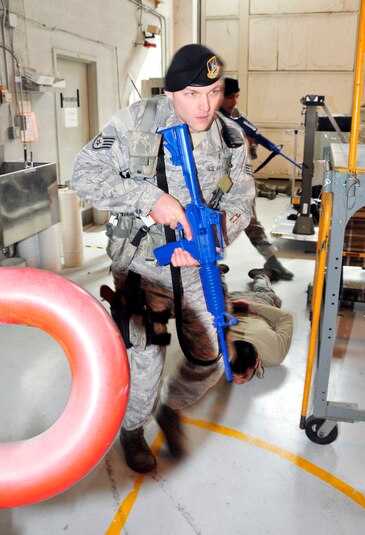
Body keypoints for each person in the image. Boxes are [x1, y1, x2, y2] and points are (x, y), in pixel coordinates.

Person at [71, 44, 255, 473]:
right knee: (145, 360)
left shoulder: (229, 136)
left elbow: (242, 201)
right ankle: (133, 429)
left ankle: (171, 409)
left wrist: (211, 238)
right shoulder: (136, 123)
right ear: (171, 93)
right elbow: (84, 176)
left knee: (213, 355)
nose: (205, 105)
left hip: (197, 272)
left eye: (213, 91)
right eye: (192, 93)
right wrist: (149, 198)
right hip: (142, 268)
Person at [220, 78, 294, 282]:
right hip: (218, 182)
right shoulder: (208, 120)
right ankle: (207, 264)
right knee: (212, 222)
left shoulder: (237, 116)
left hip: (240, 179)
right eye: (229, 97)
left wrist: (251, 145)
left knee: (251, 219)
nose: (233, 102)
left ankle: (271, 260)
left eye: (236, 96)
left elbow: (249, 155)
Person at [220, 265, 293, 384]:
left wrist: (245, 306)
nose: (238, 382)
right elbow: (285, 318)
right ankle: (262, 275)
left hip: (233, 306)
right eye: (242, 376)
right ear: (256, 363)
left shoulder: (217, 353)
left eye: (240, 376)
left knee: (217, 295)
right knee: (262, 290)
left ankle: (218, 272)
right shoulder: (275, 355)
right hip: (252, 305)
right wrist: (250, 306)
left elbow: (286, 318)